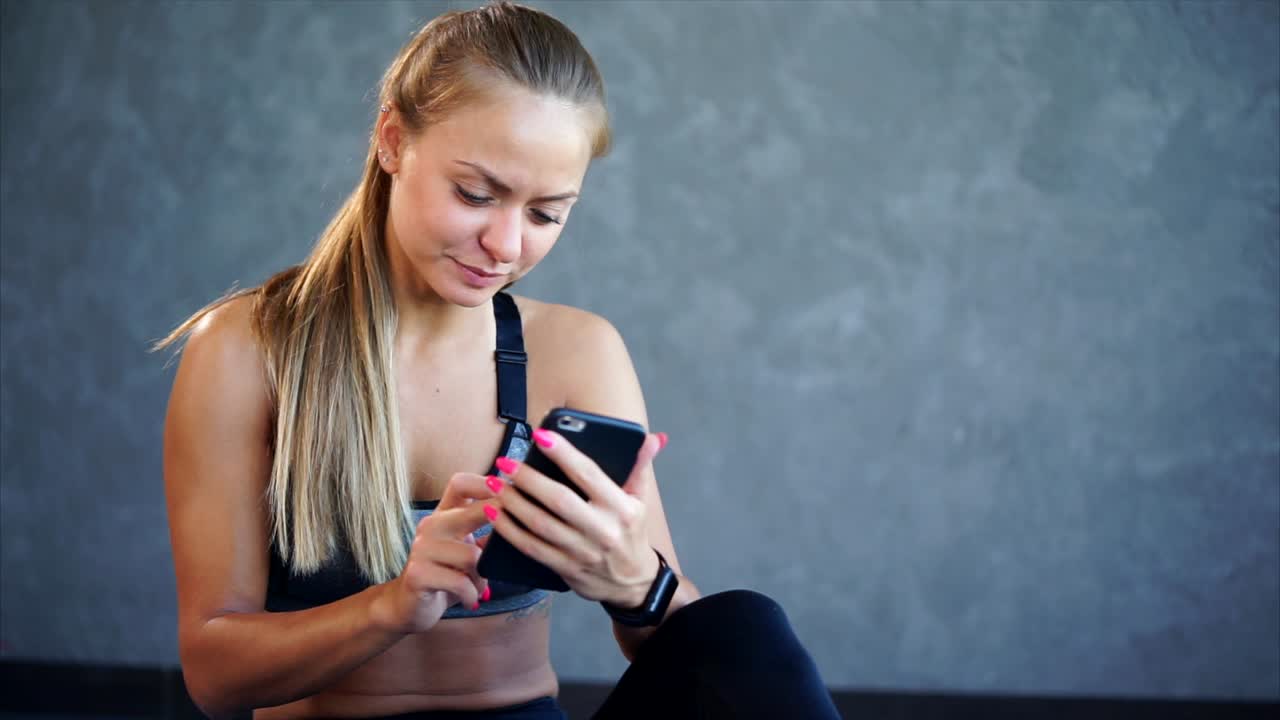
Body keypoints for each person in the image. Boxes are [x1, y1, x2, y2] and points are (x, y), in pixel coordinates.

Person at [158, 2, 840, 718]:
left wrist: (639, 582)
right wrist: (391, 606)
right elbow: (214, 675)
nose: (508, 245)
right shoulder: (246, 350)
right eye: (477, 195)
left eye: (546, 214)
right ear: (392, 140)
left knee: (743, 630)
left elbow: (670, 645)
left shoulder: (576, 350)